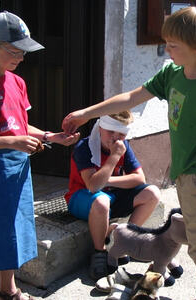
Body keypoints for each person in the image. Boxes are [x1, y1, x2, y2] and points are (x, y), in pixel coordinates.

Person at [62, 6, 196, 300]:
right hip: (185, 174)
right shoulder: (172, 74)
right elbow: (132, 97)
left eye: (173, 45)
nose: (167, 50)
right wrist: (88, 112)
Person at [0, 11, 80, 300]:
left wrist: (51, 137)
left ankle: (9, 289)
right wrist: (13, 142)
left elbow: (20, 125)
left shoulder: (17, 82)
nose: (22, 58)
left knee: (13, 229)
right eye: (15, 51)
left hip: (16, 170)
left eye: (24, 51)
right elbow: (9, 135)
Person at [64, 110, 160, 280]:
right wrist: (114, 157)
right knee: (101, 201)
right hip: (81, 198)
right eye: (111, 132)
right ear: (100, 128)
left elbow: (140, 178)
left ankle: (127, 240)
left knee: (152, 193)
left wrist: (107, 181)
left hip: (111, 196)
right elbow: (93, 186)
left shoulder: (125, 146)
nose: (115, 138)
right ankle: (99, 252)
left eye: (121, 134)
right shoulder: (84, 148)